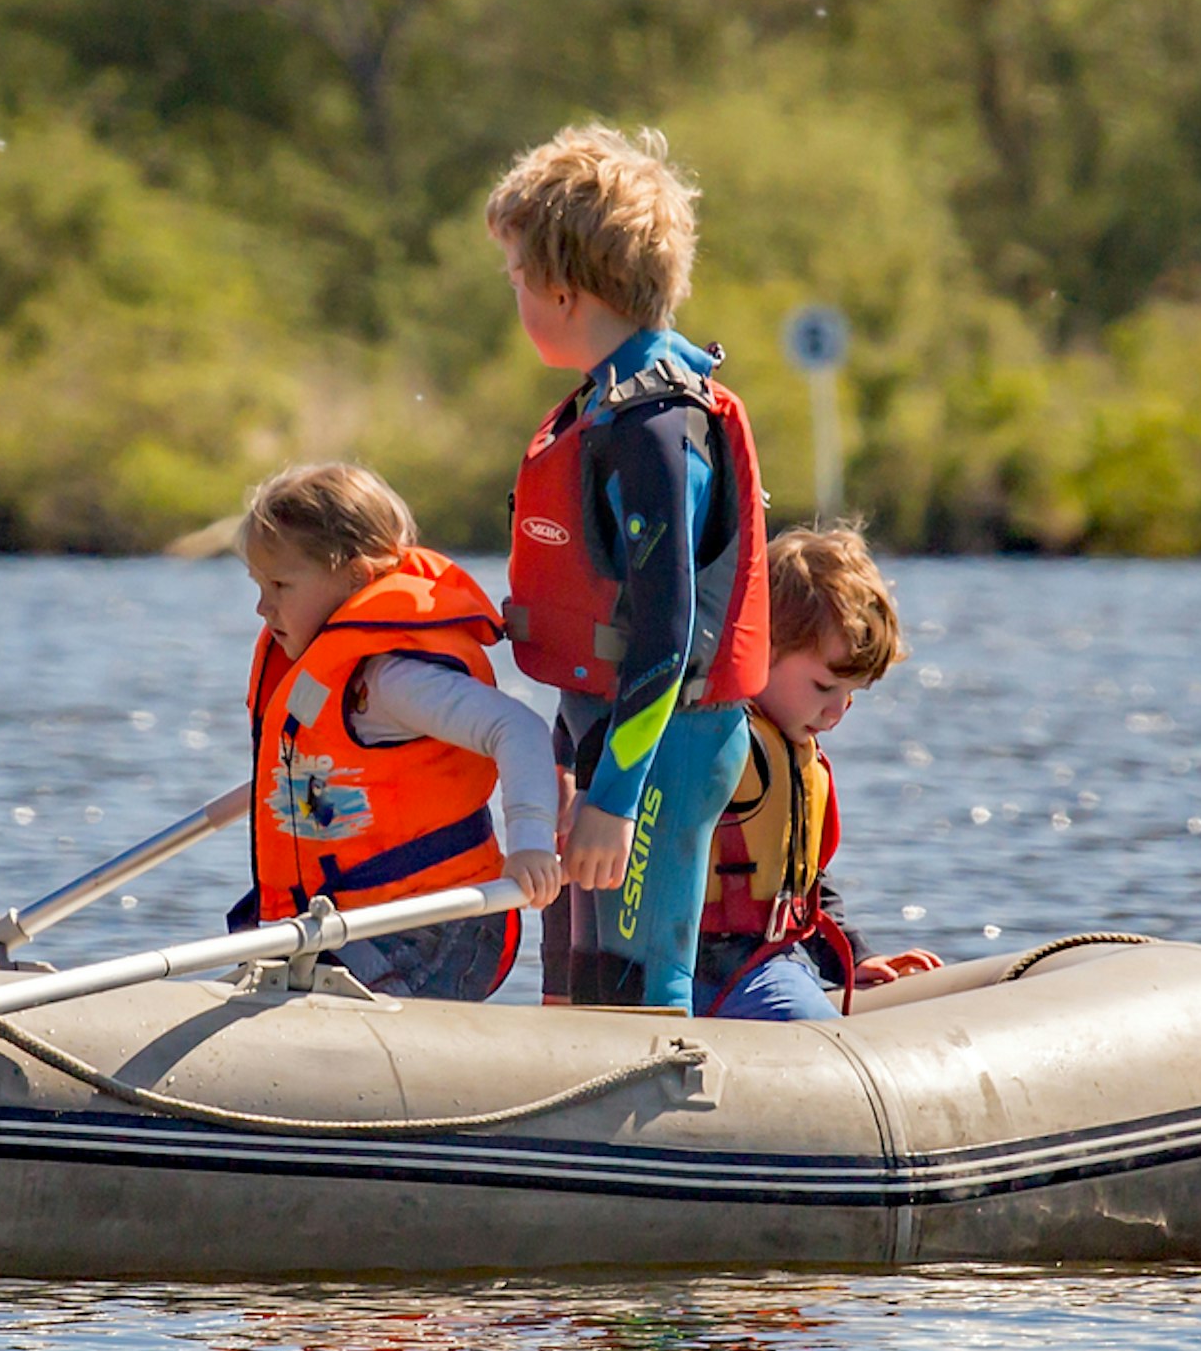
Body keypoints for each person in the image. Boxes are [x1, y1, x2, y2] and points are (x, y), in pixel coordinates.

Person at [483, 124, 768, 1011]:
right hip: (605, 733)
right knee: (573, 980)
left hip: (660, 745)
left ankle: (658, 1117)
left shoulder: (653, 429)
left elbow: (669, 629)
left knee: (636, 985)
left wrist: (612, 796)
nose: (516, 297)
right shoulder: (603, 406)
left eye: (517, 280)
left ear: (563, 291)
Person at [234, 459, 565, 1002]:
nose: (262, 606)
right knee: (269, 963)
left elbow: (519, 729)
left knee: (296, 985)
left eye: (280, 584)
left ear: (359, 577)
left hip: (442, 929)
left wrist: (530, 845)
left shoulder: (392, 680)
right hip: (358, 920)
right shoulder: (333, 673)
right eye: (258, 584)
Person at [695, 524, 940, 1020]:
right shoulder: (712, 740)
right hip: (711, 974)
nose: (839, 710)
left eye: (851, 693)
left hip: (775, 961)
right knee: (824, 1042)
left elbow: (805, 884)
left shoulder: (792, 750)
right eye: (824, 685)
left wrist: (858, 953)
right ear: (761, 648)